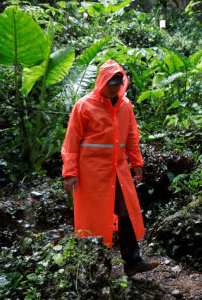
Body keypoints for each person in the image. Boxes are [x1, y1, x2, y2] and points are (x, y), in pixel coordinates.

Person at [61, 60, 158, 277]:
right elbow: (71, 142)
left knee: (127, 213)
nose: (114, 87)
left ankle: (133, 261)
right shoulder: (84, 105)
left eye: (117, 83)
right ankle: (96, 269)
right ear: (102, 82)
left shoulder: (125, 106)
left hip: (119, 172)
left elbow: (132, 136)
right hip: (91, 175)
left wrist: (137, 163)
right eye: (110, 83)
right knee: (94, 221)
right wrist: (70, 173)